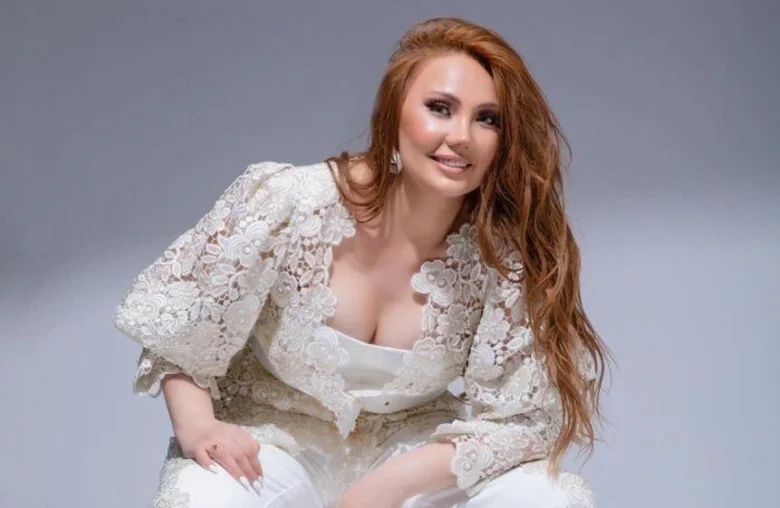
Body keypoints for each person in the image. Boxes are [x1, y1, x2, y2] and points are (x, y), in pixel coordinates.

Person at [114, 16, 609, 508]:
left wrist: (383, 489)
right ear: (394, 112)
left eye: (487, 119)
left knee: (544, 498)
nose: (462, 136)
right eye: (440, 108)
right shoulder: (290, 202)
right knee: (203, 498)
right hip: (272, 447)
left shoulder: (500, 257)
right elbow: (180, 331)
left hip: (411, 461)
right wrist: (198, 426)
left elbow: (522, 422)